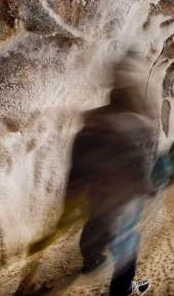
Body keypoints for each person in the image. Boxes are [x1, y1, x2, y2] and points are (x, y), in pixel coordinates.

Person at [66, 51, 158, 296]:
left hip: (96, 194)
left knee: (95, 223)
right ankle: (124, 289)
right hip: (122, 199)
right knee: (127, 244)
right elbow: (140, 164)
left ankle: (91, 258)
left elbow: (78, 162)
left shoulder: (94, 120)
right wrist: (148, 186)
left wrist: (72, 194)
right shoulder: (135, 124)